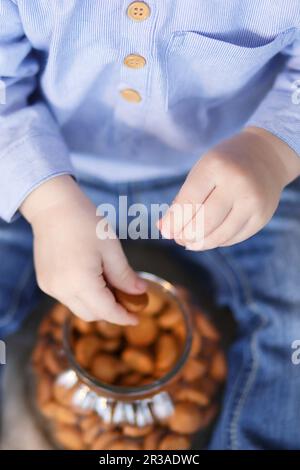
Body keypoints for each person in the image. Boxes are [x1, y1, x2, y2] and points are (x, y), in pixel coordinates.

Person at [0, 0, 300, 449]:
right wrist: (46, 202)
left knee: (291, 322)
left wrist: (273, 149)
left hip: (234, 181)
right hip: (43, 174)